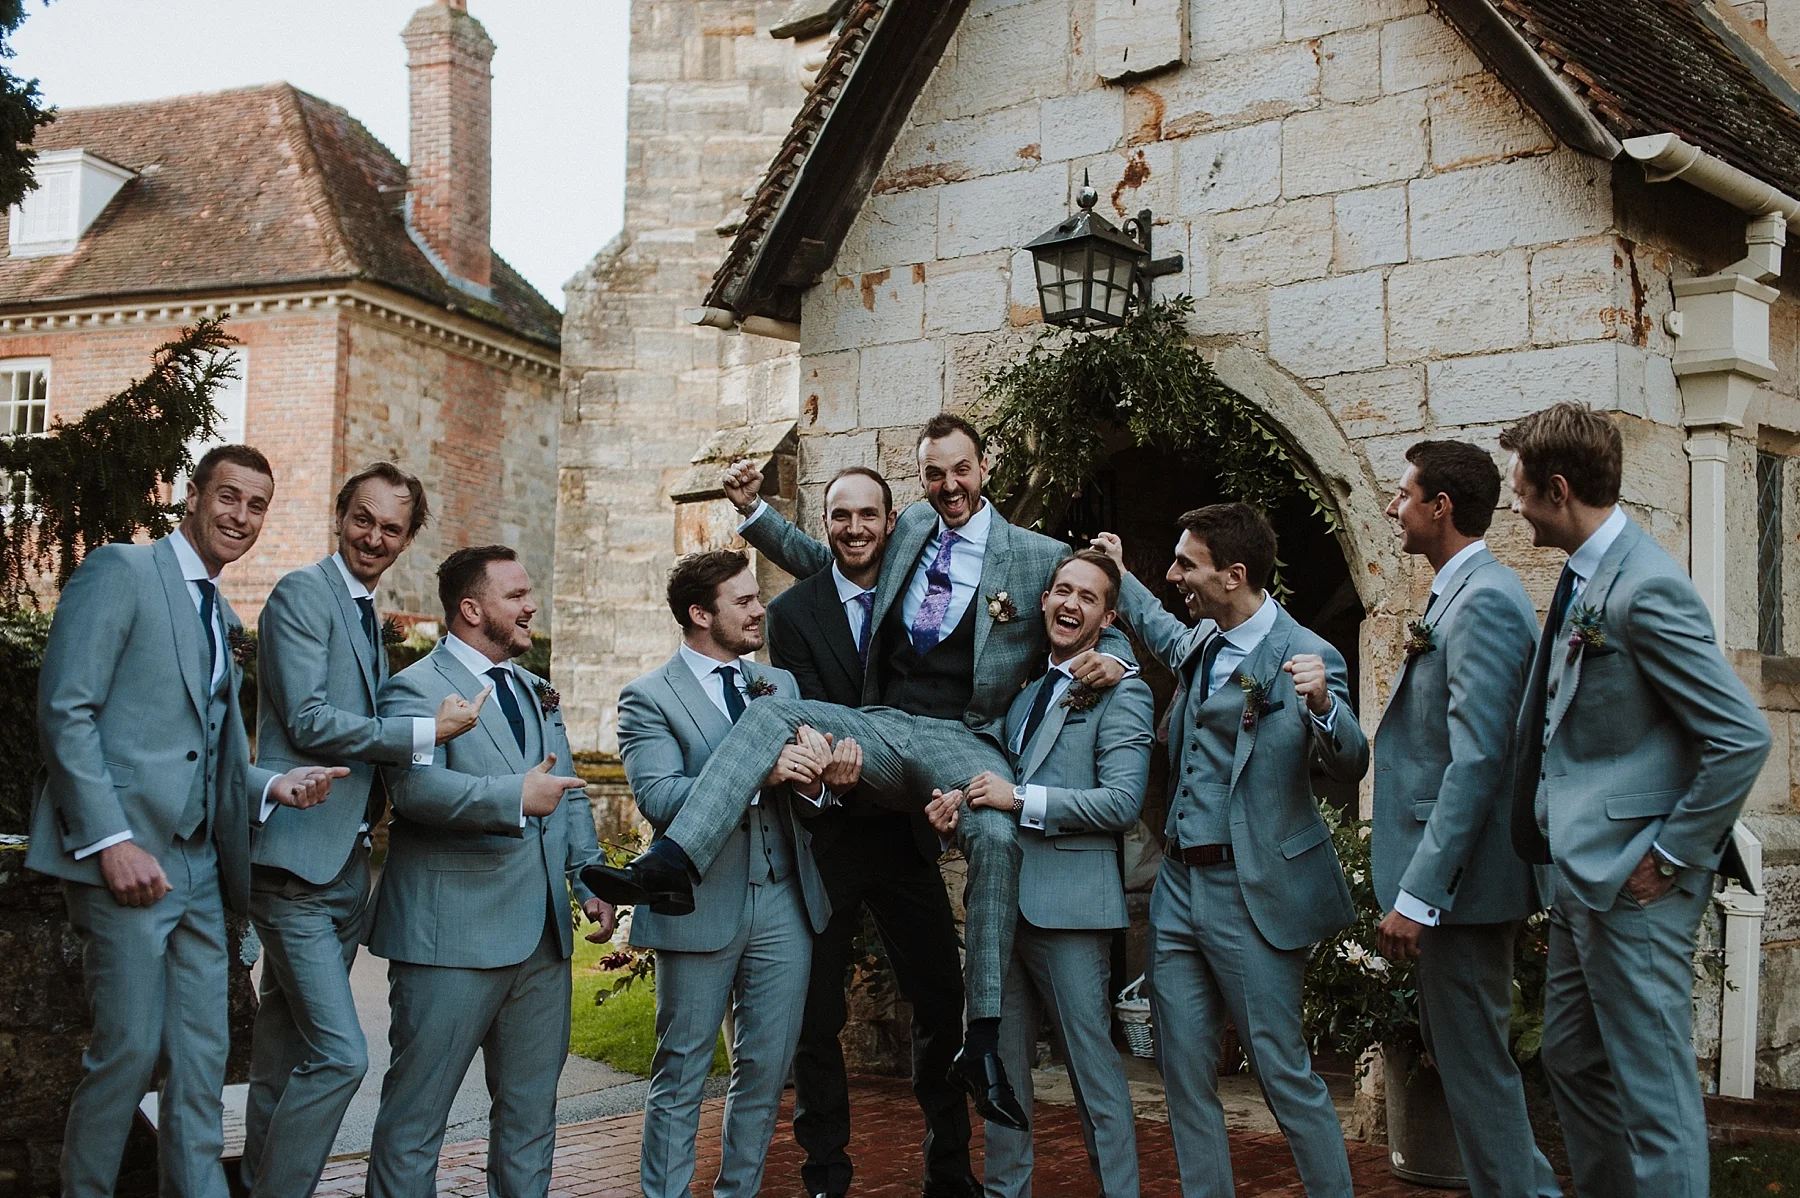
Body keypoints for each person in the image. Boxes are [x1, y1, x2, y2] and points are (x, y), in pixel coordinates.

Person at [585, 414, 1134, 1129]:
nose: (949, 486)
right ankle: (671, 863)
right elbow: (831, 559)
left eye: (960, 471)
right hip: (884, 727)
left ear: (985, 468)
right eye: (933, 474)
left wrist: (1118, 656)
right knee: (773, 711)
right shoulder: (911, 529)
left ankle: (983, 1040)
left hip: (965, 740)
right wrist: (755, 513)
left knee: (996, 838)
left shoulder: (1037, 555)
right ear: (921, 480)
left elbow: (1091, 608)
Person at [27, 444, 348, 1198]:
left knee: (204, 1064)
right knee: (127, 1054)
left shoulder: (221, 613)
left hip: (203, 870)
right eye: (228, 496)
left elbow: (206, 754)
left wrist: (273, 786)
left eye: (257, 505)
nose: (241, 516)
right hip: (128, 861)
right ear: (192, 496)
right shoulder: (122, 570)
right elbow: (66, 711)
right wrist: (111, 842)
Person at [1502, 403, 1770, 1197]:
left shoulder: (1646, 587)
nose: (1514, 505)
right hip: (1581, 874)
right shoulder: (1585, 573)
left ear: (1557, 489)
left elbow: (1741, 737)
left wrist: (1669, 854)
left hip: (1636, 879)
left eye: (1519, 489)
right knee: (1573, 1058)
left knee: (1655, 1096)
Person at [1091, 506, 1368, 1197]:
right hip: (1178, 888)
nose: (1174, 575)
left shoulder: (1305, 653)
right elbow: (1160, 632)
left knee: (1280, 1071)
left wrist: (1325, 706)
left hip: (1252, 891)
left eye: (1186, 565)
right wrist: (1119, 574)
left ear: (1233, 575)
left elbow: (1353, 760)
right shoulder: (1206, 641)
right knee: (1182, 1070)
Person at [242, 463, 485, 1198]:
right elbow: (309, 719)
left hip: (345, 869)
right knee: (341, 1055)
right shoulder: (302, 594)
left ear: (407, 540)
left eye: (391, 528)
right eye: (363, 519)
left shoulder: (361, 610)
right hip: (294, 864)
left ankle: (258, 1183)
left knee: (283, 1055)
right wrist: (425, 731)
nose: (373, 538)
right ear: (339, 515)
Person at [364, 546, 611, 1198]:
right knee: (416, 1118)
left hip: (543, 942)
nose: (532, 606)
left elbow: (567, 791)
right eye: (517, 596)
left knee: (531, 1118)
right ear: (472, 609)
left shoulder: (535, 690)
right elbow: (414, 793)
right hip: (449, 938)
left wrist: (588, 878)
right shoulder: (413, 688)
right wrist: (512, 797)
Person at [765, 467, 980, 1198]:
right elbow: (803, 710)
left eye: (868, 515)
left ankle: (949, 1172)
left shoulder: (921, 597)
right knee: (817, 1014)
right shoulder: (792, 612)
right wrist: (827, 773)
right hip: (827, 831)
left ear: (891, 523)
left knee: (940, 1000)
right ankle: (826, 1173)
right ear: (824, 523)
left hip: (902, 833)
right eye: (839, 515)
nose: (854, 528)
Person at [927, 550, 1153, 1198]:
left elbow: (1121, 803)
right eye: (1062, 590)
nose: (1070, 603)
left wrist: (1019, 798)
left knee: (1093, 1071)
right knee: (1000, 1072)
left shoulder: (1123, 691)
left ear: (1108, 618)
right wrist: (955, 813)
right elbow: (995, 788)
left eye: (1088, 596)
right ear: (1045, 598)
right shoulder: (1024, 695)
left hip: (1072, 909)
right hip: (1001, 909)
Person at [1371, 440, 1559, 1198]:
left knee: (1476, 1068)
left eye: (1403, 494)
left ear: (1440, 506)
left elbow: (1478, 761)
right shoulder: (1458, 591)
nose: (1393, 508)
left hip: (1465, 888)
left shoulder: (1484, 599)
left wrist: (1420, 896)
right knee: (1466, 1065)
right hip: (1460, 884)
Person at [619, 549, 837, 1198]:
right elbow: (659, 797)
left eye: (755, 597)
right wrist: (758, 773)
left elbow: (808, 794)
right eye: (743, 601)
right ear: (699, 614)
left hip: (784, 901)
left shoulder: (779, 686)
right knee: (681, 1070)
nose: (759, 610)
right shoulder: (649, 697)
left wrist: (820, 782)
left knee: (767, 1072)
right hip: (699, 900)